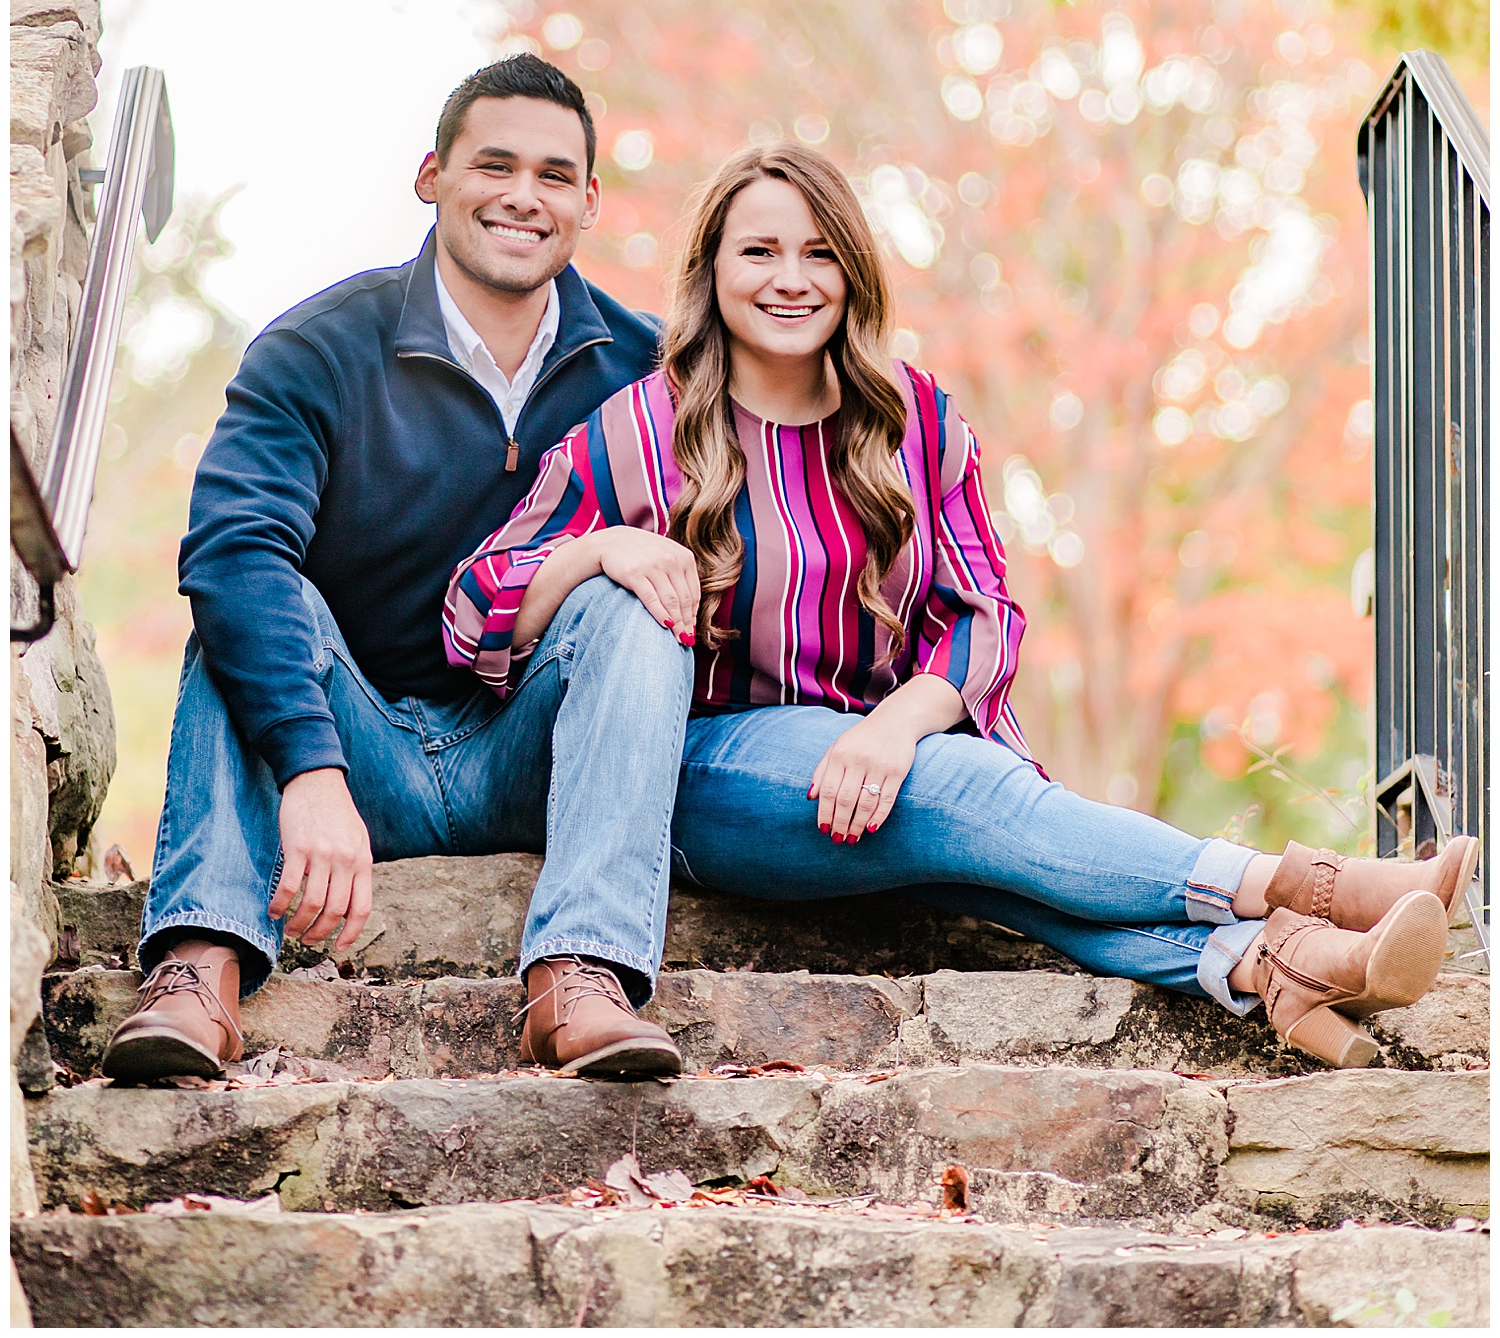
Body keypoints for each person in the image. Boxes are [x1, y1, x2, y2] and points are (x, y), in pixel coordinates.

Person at [446, 143, 1478, 1070]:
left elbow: (986, 615)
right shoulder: (641, 426)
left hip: (887, 760)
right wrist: (607, 550)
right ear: (711, 274)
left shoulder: (916, 421)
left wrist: (893, 728)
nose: (792, 279)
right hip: (705, 781)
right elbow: (473, 604)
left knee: (988, 860)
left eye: (820, 253)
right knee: (967, 801)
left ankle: (1274, 964)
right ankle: (1306, 886)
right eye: (758, 252)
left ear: (854, 271)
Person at [103, 55, 697, 1085]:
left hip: (536, 749)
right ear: (432, 175)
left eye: (555, 176)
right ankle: (198, 967)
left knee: (632, 599)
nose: (523, 196)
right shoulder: (319, 348)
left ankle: (583, 976)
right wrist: (314, 769)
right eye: (494, 164)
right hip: (357, 744)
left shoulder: (650, 373)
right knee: (250, 597)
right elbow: (232, 548)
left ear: (590, 202)